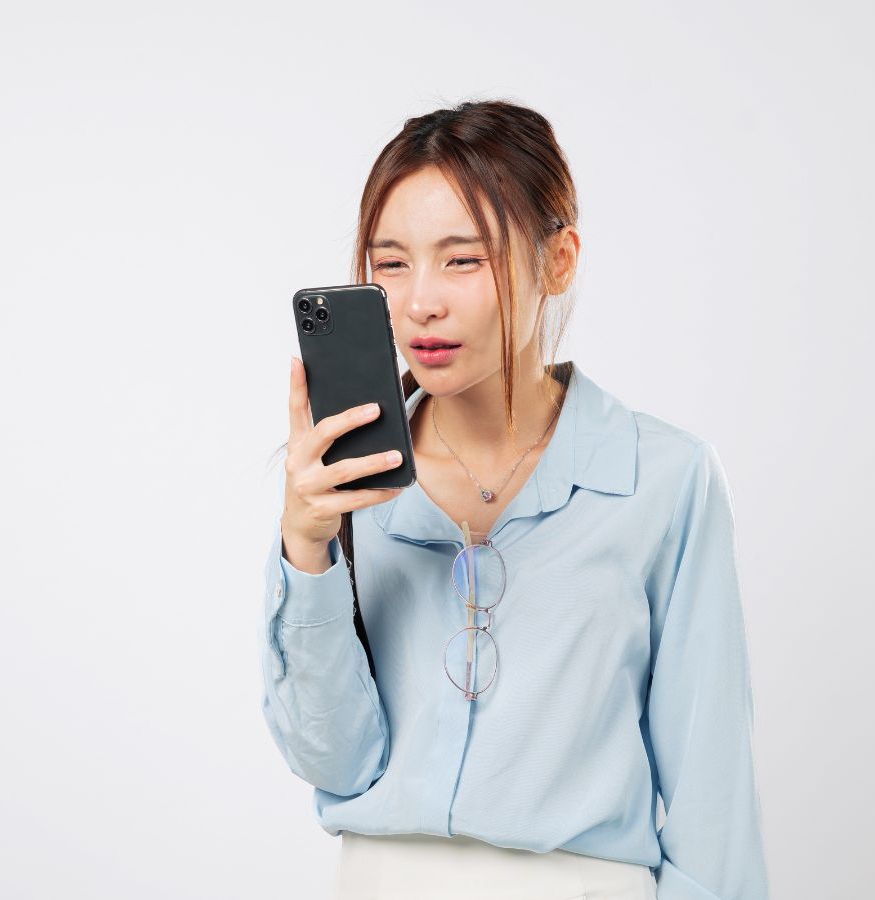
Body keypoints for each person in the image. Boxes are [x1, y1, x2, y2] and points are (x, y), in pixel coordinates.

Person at [257, 100, 769, 900]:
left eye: (463, 260)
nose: (420, 302)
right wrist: (306, 549)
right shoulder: (341, 484)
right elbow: (335, 762)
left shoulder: (664, 479)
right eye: (391, 263)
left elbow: (715, 801)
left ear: (558, 261)